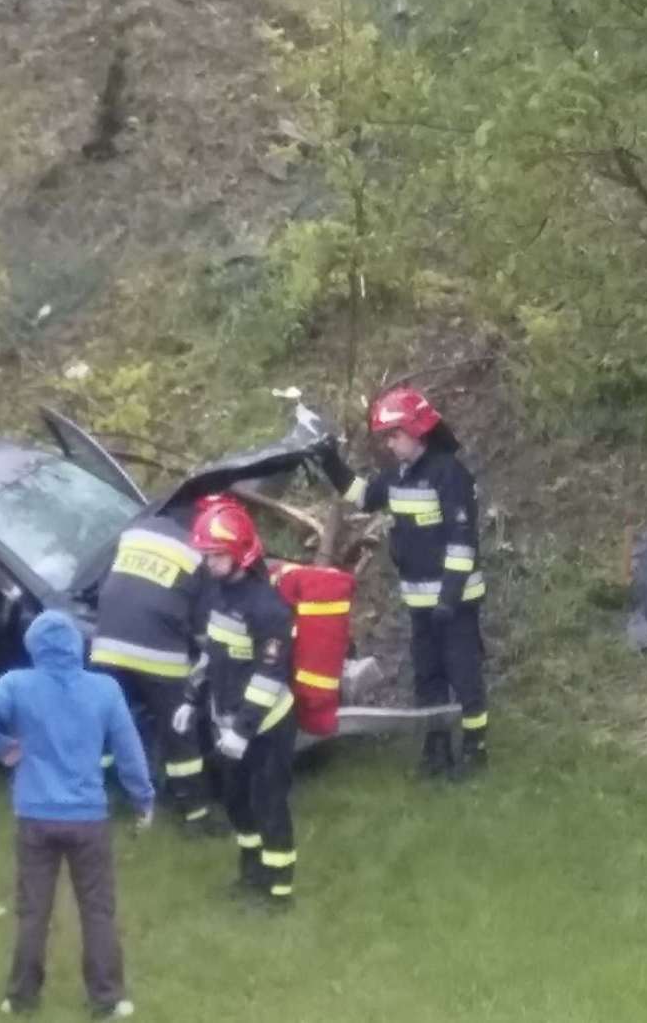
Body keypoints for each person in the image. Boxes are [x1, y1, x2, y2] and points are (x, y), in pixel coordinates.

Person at [0, 610, 154, 1019]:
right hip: (88, 819)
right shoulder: (104, 690)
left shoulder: (18, 684)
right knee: (97, 909)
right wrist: (143, 798)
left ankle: (20, 997)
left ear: (34, 647)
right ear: (75, 646)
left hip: (34, 815)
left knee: (33, 911)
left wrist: (2, 747)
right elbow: (129, 752)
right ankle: (108, 997)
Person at [311, 385, 489, 779]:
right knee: (427, 677)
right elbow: (363, 496)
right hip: (419, 602)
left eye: (395, 435)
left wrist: (449, 598)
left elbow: (462, 544)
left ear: (417, 431)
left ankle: (476, 752)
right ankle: (436, 751)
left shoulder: (450, 475)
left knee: (464, 675)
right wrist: (330, 462)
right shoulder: (399, 476)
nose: (390, 444)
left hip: (454, 602)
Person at [177, 499, 298, 908]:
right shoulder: (219, 596)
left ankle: (279, 890)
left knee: (269, 803)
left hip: (265, 728)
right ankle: (252, 872)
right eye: (207, 555)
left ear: (241, 553)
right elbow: (213, 654)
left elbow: (268, 678)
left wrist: (243, 730)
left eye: (216, 556)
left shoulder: (268, 609)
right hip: (226, 722)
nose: (209, 563)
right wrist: (191, 698)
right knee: (235, 800)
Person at [89, 513, 218, 835]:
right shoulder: (201, 553)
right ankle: (194, 814)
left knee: (104, 728)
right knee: (179, 732)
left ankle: (99, 800)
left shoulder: (136, 530)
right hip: (159, 656)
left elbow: (104, 585)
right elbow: (204, 634)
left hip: (106, 645)